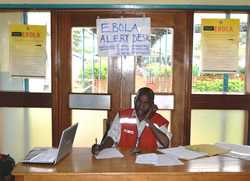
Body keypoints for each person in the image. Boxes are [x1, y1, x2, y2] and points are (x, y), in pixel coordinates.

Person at [91, 87, 172, 155]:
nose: (141, 106)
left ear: (152, 104)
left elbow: (165, 143)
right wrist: (101, 147)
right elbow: (112, 136)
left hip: (148, 164)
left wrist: (148, 121)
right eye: (139, 101)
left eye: (146, 103)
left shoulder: (159, 120)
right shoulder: (122, 116)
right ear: (135, 100)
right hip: (124, 162)